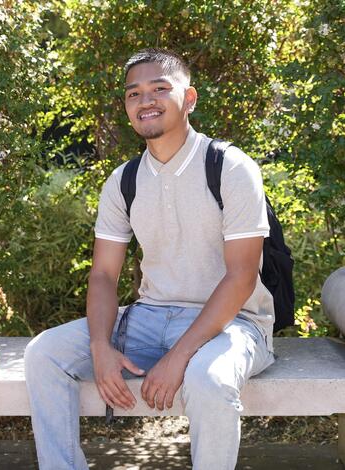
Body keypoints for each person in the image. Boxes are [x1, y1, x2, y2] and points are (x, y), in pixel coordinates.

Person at [24, 48, 275, 469]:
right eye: (134, 94)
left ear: (189, 98)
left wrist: (177, 358)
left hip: (234, 324)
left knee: (208, 379)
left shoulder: (230, 167)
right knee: (44, 354)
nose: (146, 101)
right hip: (149, 318)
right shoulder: (123, 181)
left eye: (160, 89)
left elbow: (242, 276)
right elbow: (103, 275)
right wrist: (100, 346)